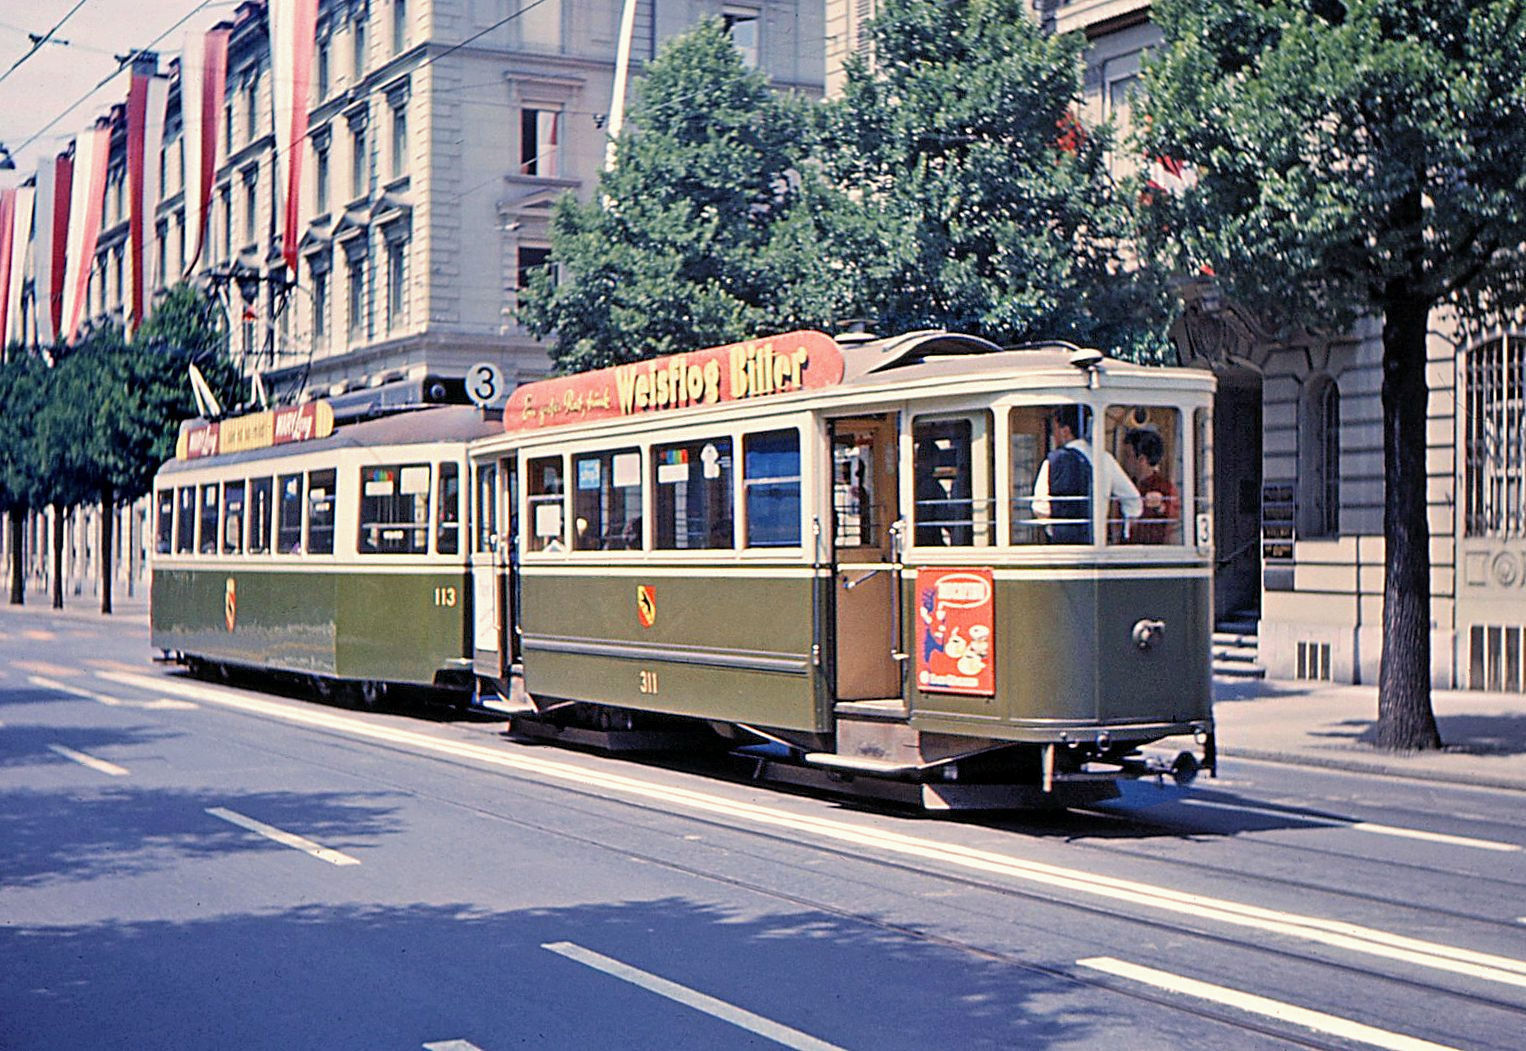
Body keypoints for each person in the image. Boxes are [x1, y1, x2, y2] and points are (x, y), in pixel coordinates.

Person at [1032, 405, 1141, 543]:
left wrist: (1051, 528)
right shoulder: (1105, 459)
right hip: (1097, 540)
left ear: (1065, 431)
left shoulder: (1052, 461)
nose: (1054, 437)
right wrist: (1124, 532)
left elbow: (1040, 506)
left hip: (1062, 542)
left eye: (1055, 431)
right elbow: (1133, 499)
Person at [1122, 428, 1178, 544]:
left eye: (1128, 456)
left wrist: (1160, 507)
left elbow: (1172, 518)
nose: (1123, 461)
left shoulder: (1164, 488)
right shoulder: (1124, 485)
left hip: (1152, 554)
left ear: (1141, 460)